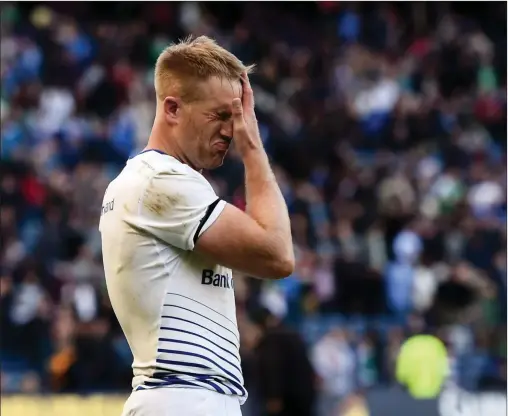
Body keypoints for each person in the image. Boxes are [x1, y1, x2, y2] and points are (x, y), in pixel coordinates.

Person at [99, 36, 294, 416]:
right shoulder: (160, 181)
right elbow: (278, 255)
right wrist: (253, 149)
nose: (233, 130)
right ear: (172, 108)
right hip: (184, 397)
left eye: (236, 118)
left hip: (183, 397)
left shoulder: (153, 180)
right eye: (221, 116)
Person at [250, 308, 317, 416]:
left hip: (286, 400)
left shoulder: (271, 340)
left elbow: (273, 367)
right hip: (304, 396)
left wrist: (274, 395)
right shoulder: (291, 334)